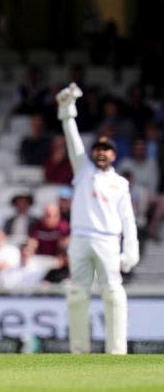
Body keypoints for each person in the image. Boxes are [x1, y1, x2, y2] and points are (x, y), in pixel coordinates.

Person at [56, 82, 139, 355]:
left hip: (107, 241)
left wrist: (131, 252)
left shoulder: (120, 184)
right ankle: (79, 350)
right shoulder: (83, 171)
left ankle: (117, 352)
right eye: (98, 148)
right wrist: (68, 110)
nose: (101, 152)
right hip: (80, 238)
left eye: (107, 149)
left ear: (114, 155)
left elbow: (128, 221)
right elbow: (72, 139)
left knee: (113, 293)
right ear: (94, 153)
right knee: (77, 294)